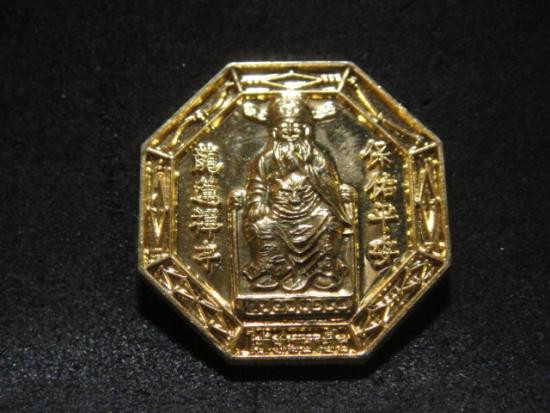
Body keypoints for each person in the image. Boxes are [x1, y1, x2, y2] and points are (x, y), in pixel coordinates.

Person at [242, 95, 352, 292]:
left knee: (329, 219)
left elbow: (329, 183)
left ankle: (323, 270)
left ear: (306, 130)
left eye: (296, 126)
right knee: (261, 225)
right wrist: (258, 202)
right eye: (285, 127)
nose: (291, 131)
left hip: (312, 211)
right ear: (275, 131)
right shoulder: (265, 159)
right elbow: (257, 184)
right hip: (278, 211)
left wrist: (308, 169)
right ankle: (270, 272)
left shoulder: (317, 156)